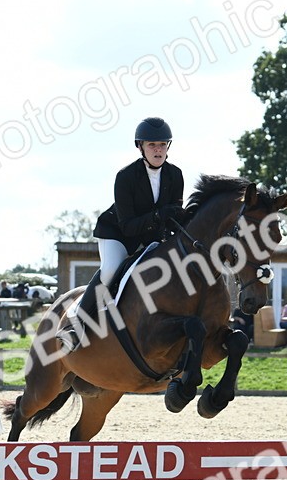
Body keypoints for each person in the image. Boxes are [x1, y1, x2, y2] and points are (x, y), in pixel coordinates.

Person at [58, 116, 189, 351]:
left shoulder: (175, 174)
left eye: (162, 145)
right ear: (141, 147)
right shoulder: (126, 176)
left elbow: (175, 216)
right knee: (110, 270)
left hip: (151, 237)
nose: (158, 150)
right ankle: (75, 324)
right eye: (152, 145)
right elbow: (128, 226)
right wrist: (159, 216)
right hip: (118, 234)